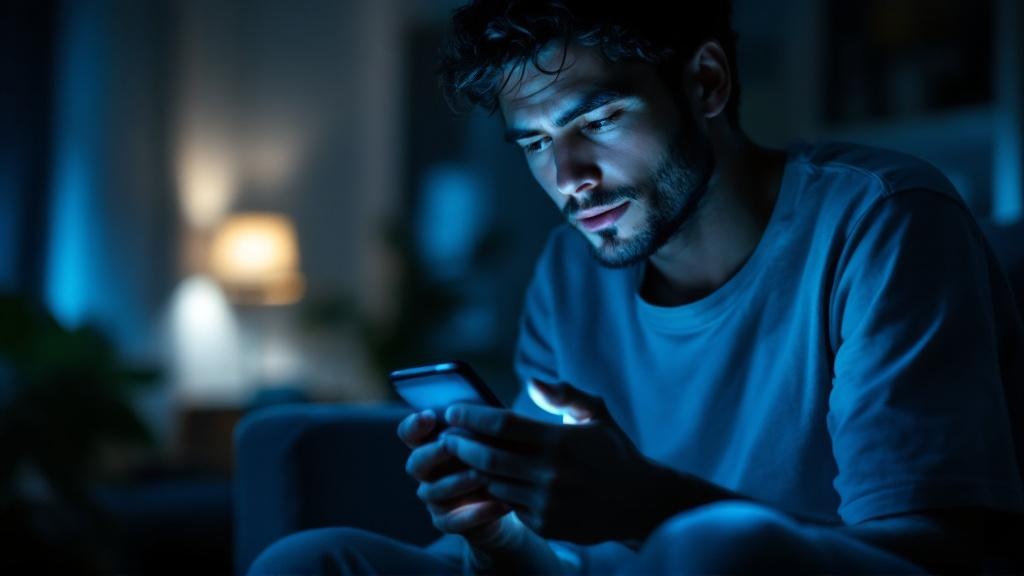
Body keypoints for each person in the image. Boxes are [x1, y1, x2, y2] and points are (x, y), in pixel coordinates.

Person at [249, 0, 1024, 573]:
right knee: (313, 560)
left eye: (600, 119)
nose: (569, 179)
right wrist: (499, 529)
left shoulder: (879, 219)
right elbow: (555, 564)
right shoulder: (567, 269)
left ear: (707, 82)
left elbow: (941, 556)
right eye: (536, 142)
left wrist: (645, 504)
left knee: (717, 546)